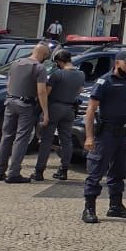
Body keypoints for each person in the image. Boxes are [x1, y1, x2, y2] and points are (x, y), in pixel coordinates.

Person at [80, 51, 126, 223]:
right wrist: (89, 137)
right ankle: (89, 208)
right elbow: (90, 110)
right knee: (96, 170)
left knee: (119, 171)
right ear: (117, 63)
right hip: (106, 133)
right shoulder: (104, 82)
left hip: (124, 133)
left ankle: (116, 206)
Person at [0, 42, 51, 183]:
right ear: (44, 55)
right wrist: (45, 111)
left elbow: (9, 84)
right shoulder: (39, 68)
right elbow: (41, 91)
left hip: (10, 101)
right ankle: (13, 174)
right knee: (21, 139)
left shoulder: (15, 63)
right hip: (26, 105)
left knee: (6, 136)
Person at [33, 49, 85, 180]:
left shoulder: (58, 74)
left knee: (46, 140)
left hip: (55, 107)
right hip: (70, 109)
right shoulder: (81, 74)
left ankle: (39, 171)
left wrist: (41, 110)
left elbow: (46, 93)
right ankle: (64, 170)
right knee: (66, 140)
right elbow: (80, 90)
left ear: (60, 61)